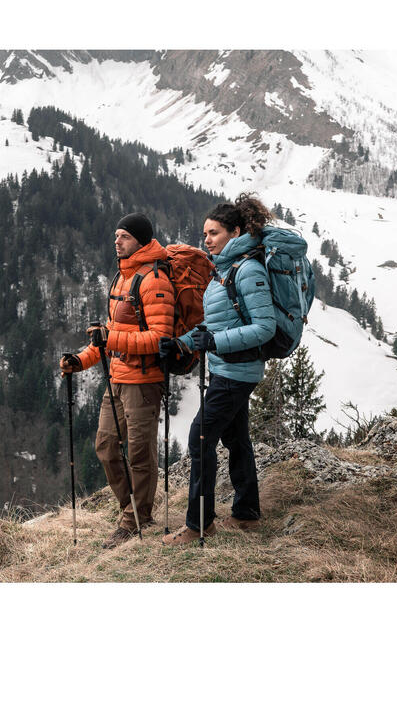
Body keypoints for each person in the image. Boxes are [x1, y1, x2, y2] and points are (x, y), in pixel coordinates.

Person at [160, 193, 276, 547]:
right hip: (228, 367)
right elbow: (213, 327)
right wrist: (182, 342)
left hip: (238, 371)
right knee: (236, 438)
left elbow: (265, 327)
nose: (206, 240)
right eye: (204, 234)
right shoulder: (222, 271)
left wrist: (215, 343)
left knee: (200, 436)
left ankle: (199, 523)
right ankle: (246, 514)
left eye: (213, 233)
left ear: (235, 231)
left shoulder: (248, 270)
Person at [59, 213, 175, 549]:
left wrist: (110, 340)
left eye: (123, 236)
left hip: (144, 381)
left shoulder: (154, 280)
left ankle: (135, 517)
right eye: (115, 235)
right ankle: (132, 509)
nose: (117, 241)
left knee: (139, 453)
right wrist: (80, 360)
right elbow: (107, 338)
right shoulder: (120, 278)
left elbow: (160, 337)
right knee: (107, 447)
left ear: (140, 240)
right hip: (118, 378)